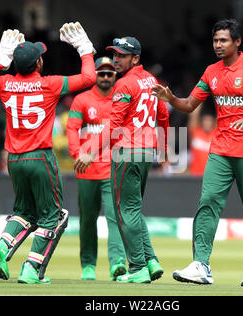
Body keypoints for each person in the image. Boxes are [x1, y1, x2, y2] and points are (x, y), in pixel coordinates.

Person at [152, 19, 243, 287]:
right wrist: (170, 98)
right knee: (208, 201)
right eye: (215, 40)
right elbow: (188, 105)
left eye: (223, 40)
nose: (218, 45)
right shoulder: (211, 71)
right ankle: (200, 264)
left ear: (237, 42)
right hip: (220, 149)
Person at [0, 23, 96, 284]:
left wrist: (0, 59)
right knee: (55, 217)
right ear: (38, 64)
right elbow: (89, 78)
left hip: (15, 160)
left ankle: (2, 245)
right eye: (41, 57)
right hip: (40, 157)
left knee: (24, 213)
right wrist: (84, 48)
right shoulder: (50, 85)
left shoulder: (6, 84)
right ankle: (31, 269)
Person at [76, 37, 170, 283]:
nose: (116, 59)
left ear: (135, 58)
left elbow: (114, 127)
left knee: (124, 212)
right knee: (134, 210)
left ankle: (137, 267)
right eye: (114, 54)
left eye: (122, 55)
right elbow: (162, 115)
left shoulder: (125, 85)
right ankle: (150, 261)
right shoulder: (151, 80)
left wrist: (90, 151)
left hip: (127, 152)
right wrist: (164, 147)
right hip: (146, 152)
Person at [66, 57, 127, 281]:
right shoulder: (82, 99)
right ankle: (88, 265)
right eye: (101, 73)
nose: (104, 76)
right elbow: (72, 128)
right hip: (87, 169)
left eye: (109, 73)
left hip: (112, 169)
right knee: (87, 219)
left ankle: (118, 264)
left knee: (115, 218)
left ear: (115, 75)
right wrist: (77, 154)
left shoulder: (121, 100)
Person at [188, 106, 216, 176]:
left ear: (213, 122)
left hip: (210, 175)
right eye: (205, 120)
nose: (207, 123)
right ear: (202, 122)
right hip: (195, 174)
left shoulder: (216, 135)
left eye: (209, 121)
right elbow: (194, 116)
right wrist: (198, 101)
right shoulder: (196, 132)